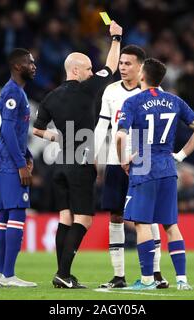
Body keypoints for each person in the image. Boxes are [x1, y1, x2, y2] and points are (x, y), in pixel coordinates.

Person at [33, 21, 123, 289]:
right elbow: (111, 67)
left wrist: (56, 136)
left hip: (59, 163)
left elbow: (38, 130)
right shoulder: (87, 89)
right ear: (75, 70)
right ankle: (63, 273)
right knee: (84, 218)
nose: (92, 71)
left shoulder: (50, 97)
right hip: (80, 162)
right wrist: (116, 38)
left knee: (65, 217)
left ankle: (63, 275)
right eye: (88, 68)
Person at [116, 58, 194, 290]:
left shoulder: (133, 102)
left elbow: (120, 136)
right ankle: (182, 280)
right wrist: (181, 155)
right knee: (170, 224)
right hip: (168, 165)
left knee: (142, 223)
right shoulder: (174, 100)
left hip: (144, 165)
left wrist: (122, 160)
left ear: (142, 76)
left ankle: (147, 280)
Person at [94, 45, 168, 289]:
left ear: (140, 66)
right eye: (121, 63)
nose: (122, 68)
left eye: (128, 64)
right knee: (115, 216)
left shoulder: (154, 93)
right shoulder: (111, 91)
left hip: (144, 163)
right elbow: (102, 126)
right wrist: (92, 155)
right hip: (116, 162)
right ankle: (118, 276)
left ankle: (156, 273)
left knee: (149, 217)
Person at [0, 48, 37, 287]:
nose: (34, 66)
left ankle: (0, 274)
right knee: (17, 212)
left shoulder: (16, 91)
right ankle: (8, 275)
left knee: (5, 215)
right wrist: (21, 164)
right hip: (8, 161)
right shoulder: (13, 93)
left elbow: (14, 132)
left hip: (2, 157)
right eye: (30, 63)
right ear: (18, 66)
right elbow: (7, 130)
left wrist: (27, 153)